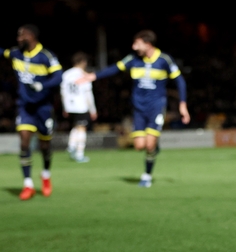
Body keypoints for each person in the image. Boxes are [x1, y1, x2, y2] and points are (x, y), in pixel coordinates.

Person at [78, 30, 189, 187]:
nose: (134, 46)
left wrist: (182, 104)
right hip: (138, 108)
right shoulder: (133, 59)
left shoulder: (164, 60)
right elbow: (115, 68)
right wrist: (94, 76)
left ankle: (146, 176)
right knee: (139, 146)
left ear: (147, 44)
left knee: (148, 145)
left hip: (156, 106)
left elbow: (180, 80)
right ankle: (154, 146)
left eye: (137, 43)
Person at [0, 25, 62, 200]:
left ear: (31, 36)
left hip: (43, 108)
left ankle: (45, 175)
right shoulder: (16, 53)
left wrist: (42, 85)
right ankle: (27, 184)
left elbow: (59, 76)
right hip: (25, 106)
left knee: (45, 147)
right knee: (24, 141)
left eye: (21, 35)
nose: (18, 38)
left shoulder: (46, 56)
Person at [61, 52, 96, 163]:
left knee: (76, 126)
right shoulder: (83, 75)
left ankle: (71, 145)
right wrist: (93, 109)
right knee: (82, 128)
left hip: (70, 105)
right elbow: (88, 94)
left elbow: (63, 92)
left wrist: (65, 106)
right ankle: (79, 154)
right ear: (83, 62)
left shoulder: (66, 74)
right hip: (81, 105)